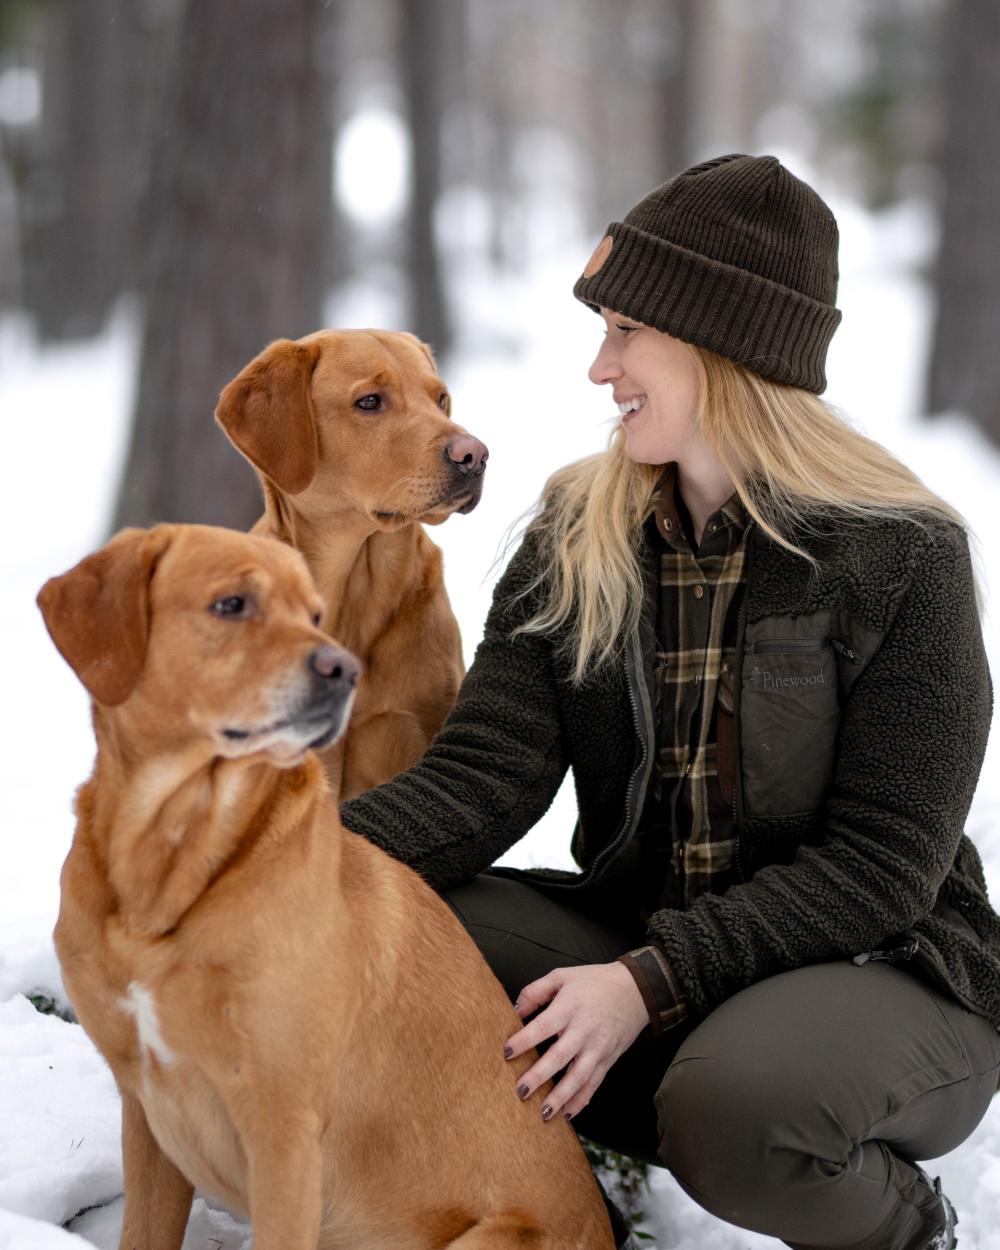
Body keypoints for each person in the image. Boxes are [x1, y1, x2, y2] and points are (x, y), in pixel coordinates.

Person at [341, 154, 1000, 1250]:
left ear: (720, 341)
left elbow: (882, 865)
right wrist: (271, 865)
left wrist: (647, 982)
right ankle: (557, 1196)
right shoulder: (576, 531)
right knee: (396, 932)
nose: (601, 368)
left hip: (884, 971)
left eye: (626, 332)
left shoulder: (901, 553)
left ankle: (903, 1225)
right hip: (655, 955)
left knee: (736, 1106)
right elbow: (482, 776)